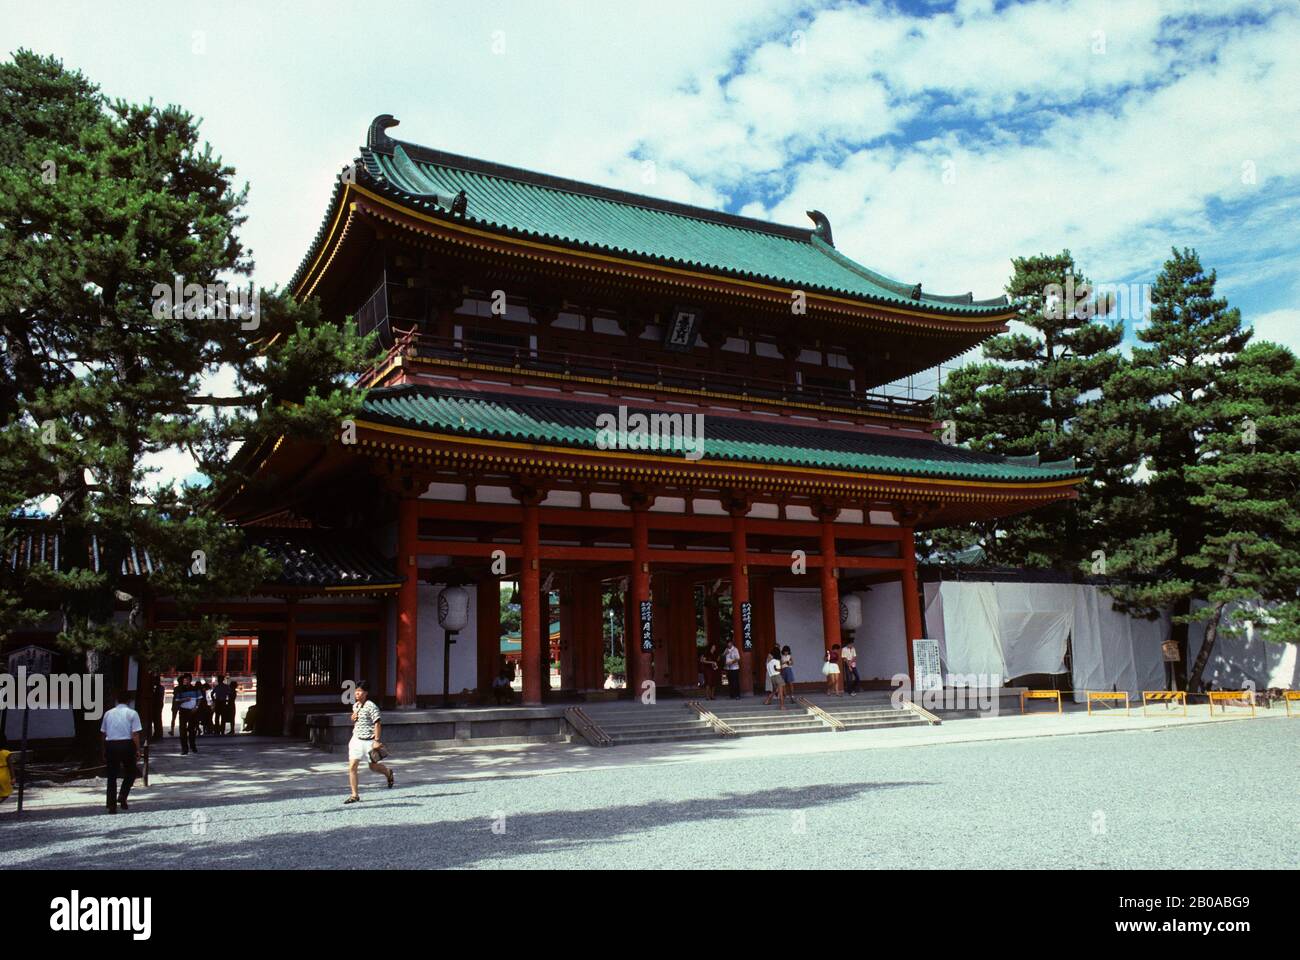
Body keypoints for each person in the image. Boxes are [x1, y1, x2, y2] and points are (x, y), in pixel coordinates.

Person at [345, 680, 393, 803]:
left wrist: (376, 740)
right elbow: (356, 719)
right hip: (356, 739)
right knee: (352, 766)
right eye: (356, 692)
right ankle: (354, 795)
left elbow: (377, 723)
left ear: (365, 693)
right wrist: (353, 717)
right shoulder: (355, 705)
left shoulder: (371, 706)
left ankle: (388, 772)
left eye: (359, 692)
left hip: (369, 741)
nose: (357, 694)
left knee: (373, 766)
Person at [100, 693, 142, 814]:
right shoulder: (132, 713)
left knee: (112, 775)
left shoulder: (108, 713)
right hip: (127, 744)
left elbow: (103, 733)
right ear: (129, 701)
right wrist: (138, 749)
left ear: (117, 700)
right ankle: (123, 795)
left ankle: (111, 804)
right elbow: (135, 734)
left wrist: (103, 749)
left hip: (111, 744)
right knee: (130, 772)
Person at [174, 674, 201, 754]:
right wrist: (184, 699)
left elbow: (199, 699)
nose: (185, 681)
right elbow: (177, 700)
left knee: (192, 730)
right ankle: (184, 749)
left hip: (193, 711)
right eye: (184, 680)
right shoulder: (180, 689)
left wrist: (196, 707)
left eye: (187, 680)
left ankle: (193, 746)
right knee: (182, 730)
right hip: (183, 711)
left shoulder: (195, 688)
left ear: (190, 680)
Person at [150, 677, 165, 742]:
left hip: (158, 704)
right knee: (157, 719)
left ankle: (158, 733)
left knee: (157, 719)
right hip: (157, 704)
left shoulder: (159, 688)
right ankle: (157, 733)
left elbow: (158, 696)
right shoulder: (158, 688)